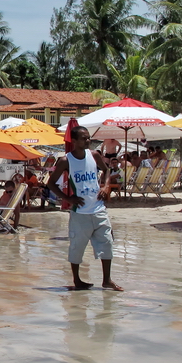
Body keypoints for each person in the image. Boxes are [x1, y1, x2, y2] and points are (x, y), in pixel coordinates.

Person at [47, 125, 122, 291]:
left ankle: (107, 280)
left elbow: (106, 170)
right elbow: (50, 183)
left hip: (99, 209)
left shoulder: (94, 155)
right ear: (74, 141)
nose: (88, 141)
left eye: (89, 137)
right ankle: (77, 280)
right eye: (84, 138)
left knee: (107, 244)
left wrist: (105, 186)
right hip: (79, 212)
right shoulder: (66, 161)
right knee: (77, 247)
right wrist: (67, 198)